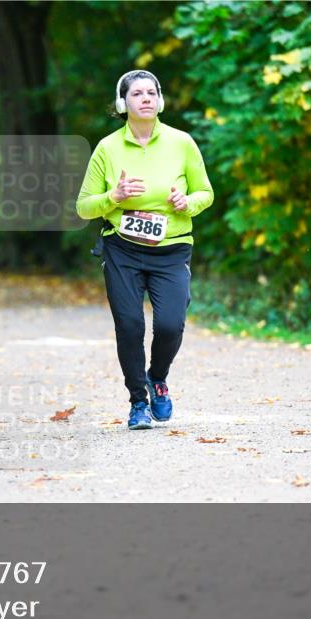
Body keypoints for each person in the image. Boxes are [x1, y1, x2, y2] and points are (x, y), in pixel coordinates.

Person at [76, 70, 214, 430]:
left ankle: (158, 377)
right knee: (130, 324)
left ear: (160, 100)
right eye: (137, 93)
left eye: (152, 92)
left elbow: (206, 192)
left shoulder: (182, 142)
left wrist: (187, 202)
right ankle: (138, 401)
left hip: (172, 249)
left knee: (170, 324)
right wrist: (114, 197)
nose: (146, 98)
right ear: (124, 104)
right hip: (122, 249)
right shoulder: (107, 148)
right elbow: (84, 206)